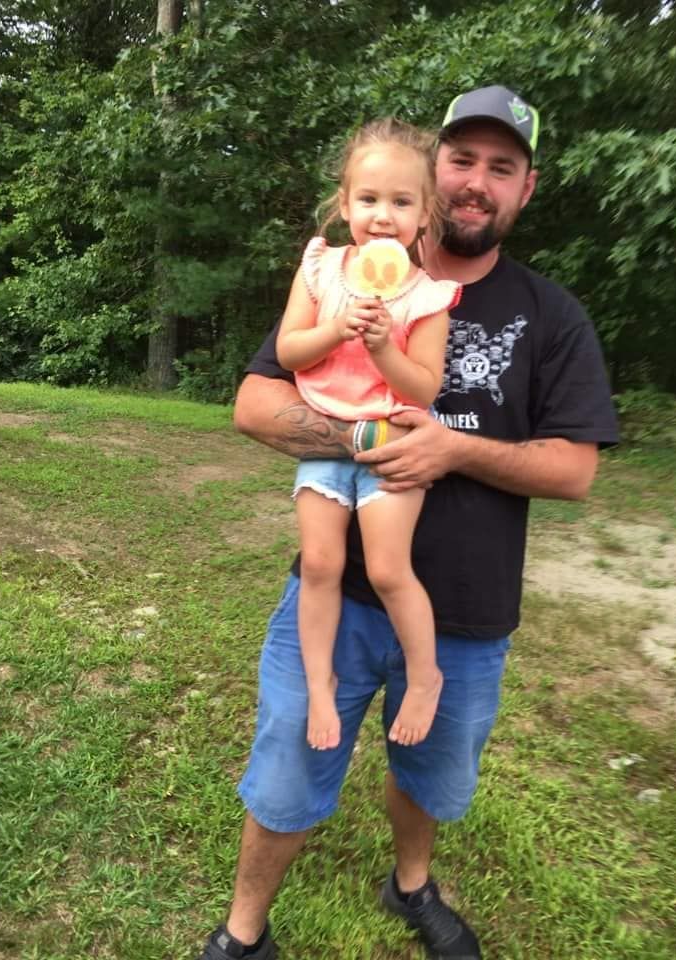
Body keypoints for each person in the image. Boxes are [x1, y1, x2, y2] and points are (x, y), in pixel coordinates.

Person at [195, 85, 619, 960]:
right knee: (286, 763)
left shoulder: (552, 316)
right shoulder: (340, 270)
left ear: (524, 189)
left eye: (501, 168)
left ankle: (412, 886)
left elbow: (575, 469)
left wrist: (453, 451)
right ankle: (243, 932)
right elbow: (254, 404)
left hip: (465, 609)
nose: (477, 182)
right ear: (433, 176)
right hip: (336, 592)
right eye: (462, 159)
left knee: (428, 772)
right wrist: (366, 439)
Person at [275, 118, 460, 752]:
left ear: (425, 213)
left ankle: (426, 675)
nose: (384, 217)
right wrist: (336, 330)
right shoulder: (323, 269)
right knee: (320, 565)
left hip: (391, 450)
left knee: (387, 570)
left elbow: (426, 388)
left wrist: (383, 347)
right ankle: (320, 684)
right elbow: (291, 350)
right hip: (325, 443)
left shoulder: (428, 295)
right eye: (369, 200)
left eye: (402, 202)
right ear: (345, 203)